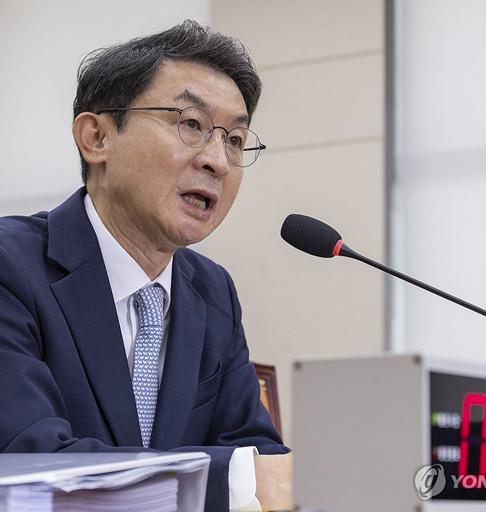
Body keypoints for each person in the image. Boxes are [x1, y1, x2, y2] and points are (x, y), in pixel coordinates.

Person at [0, 20, 291, 511]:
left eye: (236, 140)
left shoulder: (212, 291)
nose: (218, 161)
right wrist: (237, 478)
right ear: (96, 137)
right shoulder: (11, 267)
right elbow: (30, 463)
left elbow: (252, 447)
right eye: (191, 124)